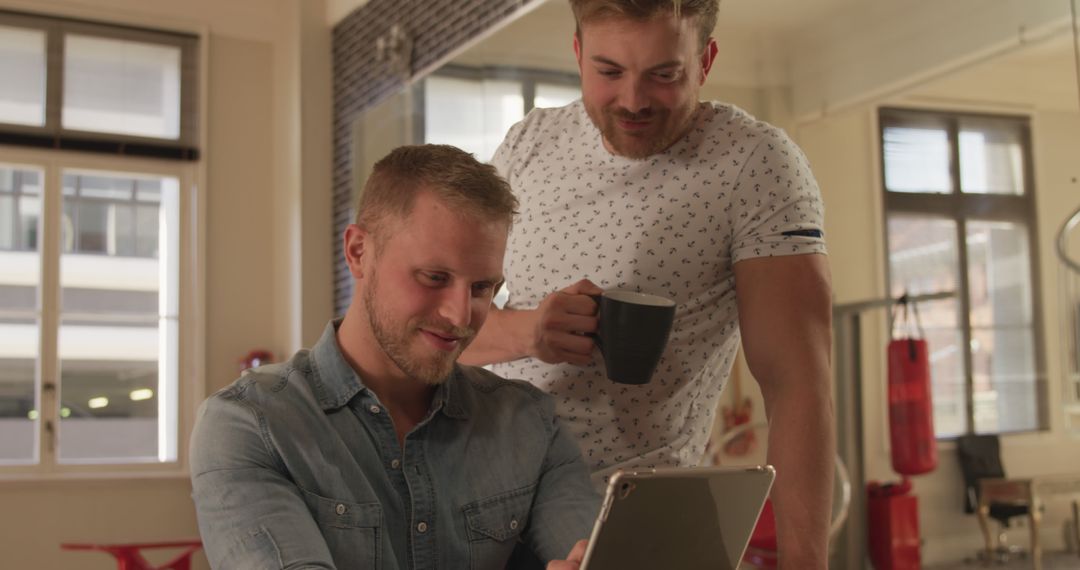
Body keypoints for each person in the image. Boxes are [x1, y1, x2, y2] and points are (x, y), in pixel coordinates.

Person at [460, 0, 836, 567]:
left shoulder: (755, 165)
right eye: (609, 71)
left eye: (664, 75)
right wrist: (528, 331)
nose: (634, 100)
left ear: (705, 60)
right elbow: (442, 328)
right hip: (479, 496)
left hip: (630, 522)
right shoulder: (528, 144)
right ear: (578, 53)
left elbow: (797, 384)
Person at [190, 145, 598, 569]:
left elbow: (591, 556)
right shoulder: (251, 426)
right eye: (434, 278)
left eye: (481, 288)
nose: (460, 315)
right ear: (358, 253)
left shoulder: (531, 423)